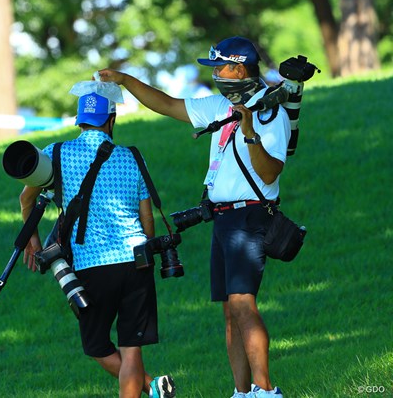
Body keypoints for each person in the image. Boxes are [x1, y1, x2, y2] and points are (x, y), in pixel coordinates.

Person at [98, 36, 287, 398]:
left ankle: (266, 390)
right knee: (230, 311)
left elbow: (270, 173)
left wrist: (250, 135)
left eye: (219, 66)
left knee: (244, 305)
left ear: (239, 68)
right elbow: (167, 104)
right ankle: (242, 391)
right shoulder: (220, 104)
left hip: (249, 217)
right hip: (223, 219)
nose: (215, 73)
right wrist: (124, 80)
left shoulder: (269, 111)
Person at [19, 90, 176, 398]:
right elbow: (147, 219)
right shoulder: (132, 156)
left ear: (80, 122)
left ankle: (152, 386)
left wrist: (32, 240)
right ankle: (152, 386)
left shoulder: (56, 153)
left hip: (92, 265)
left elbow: (26, 199)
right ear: (111, 120)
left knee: (96, 346)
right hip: (136, 259)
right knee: (132, 350)